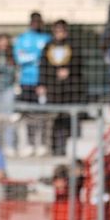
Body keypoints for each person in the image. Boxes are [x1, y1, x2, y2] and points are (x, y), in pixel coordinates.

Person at [39, 19, 85, 155]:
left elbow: (79, 63)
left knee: (68, 119)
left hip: (69, 90)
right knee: (54, 119)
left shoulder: (73, 46)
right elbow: (43, 66)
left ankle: (67, 147)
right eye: (57, 30)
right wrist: (42, 84)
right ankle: (54, 148)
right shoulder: (48, 46)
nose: (59, 33)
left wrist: (69, 70)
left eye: (62, 30)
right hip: (53, 89)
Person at [14, 11, 52, 154]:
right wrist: (36, 56)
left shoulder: (47, 38)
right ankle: (30, 144)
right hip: (26, 81)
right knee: (28, 113)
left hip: (42, 82)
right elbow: (19, 58)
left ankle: (42, 143)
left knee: (42, 113)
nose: (36, 24)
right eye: (34, 21)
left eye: (38, 21)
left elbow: (48, 58)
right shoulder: (23, 38)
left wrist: (31, 56)